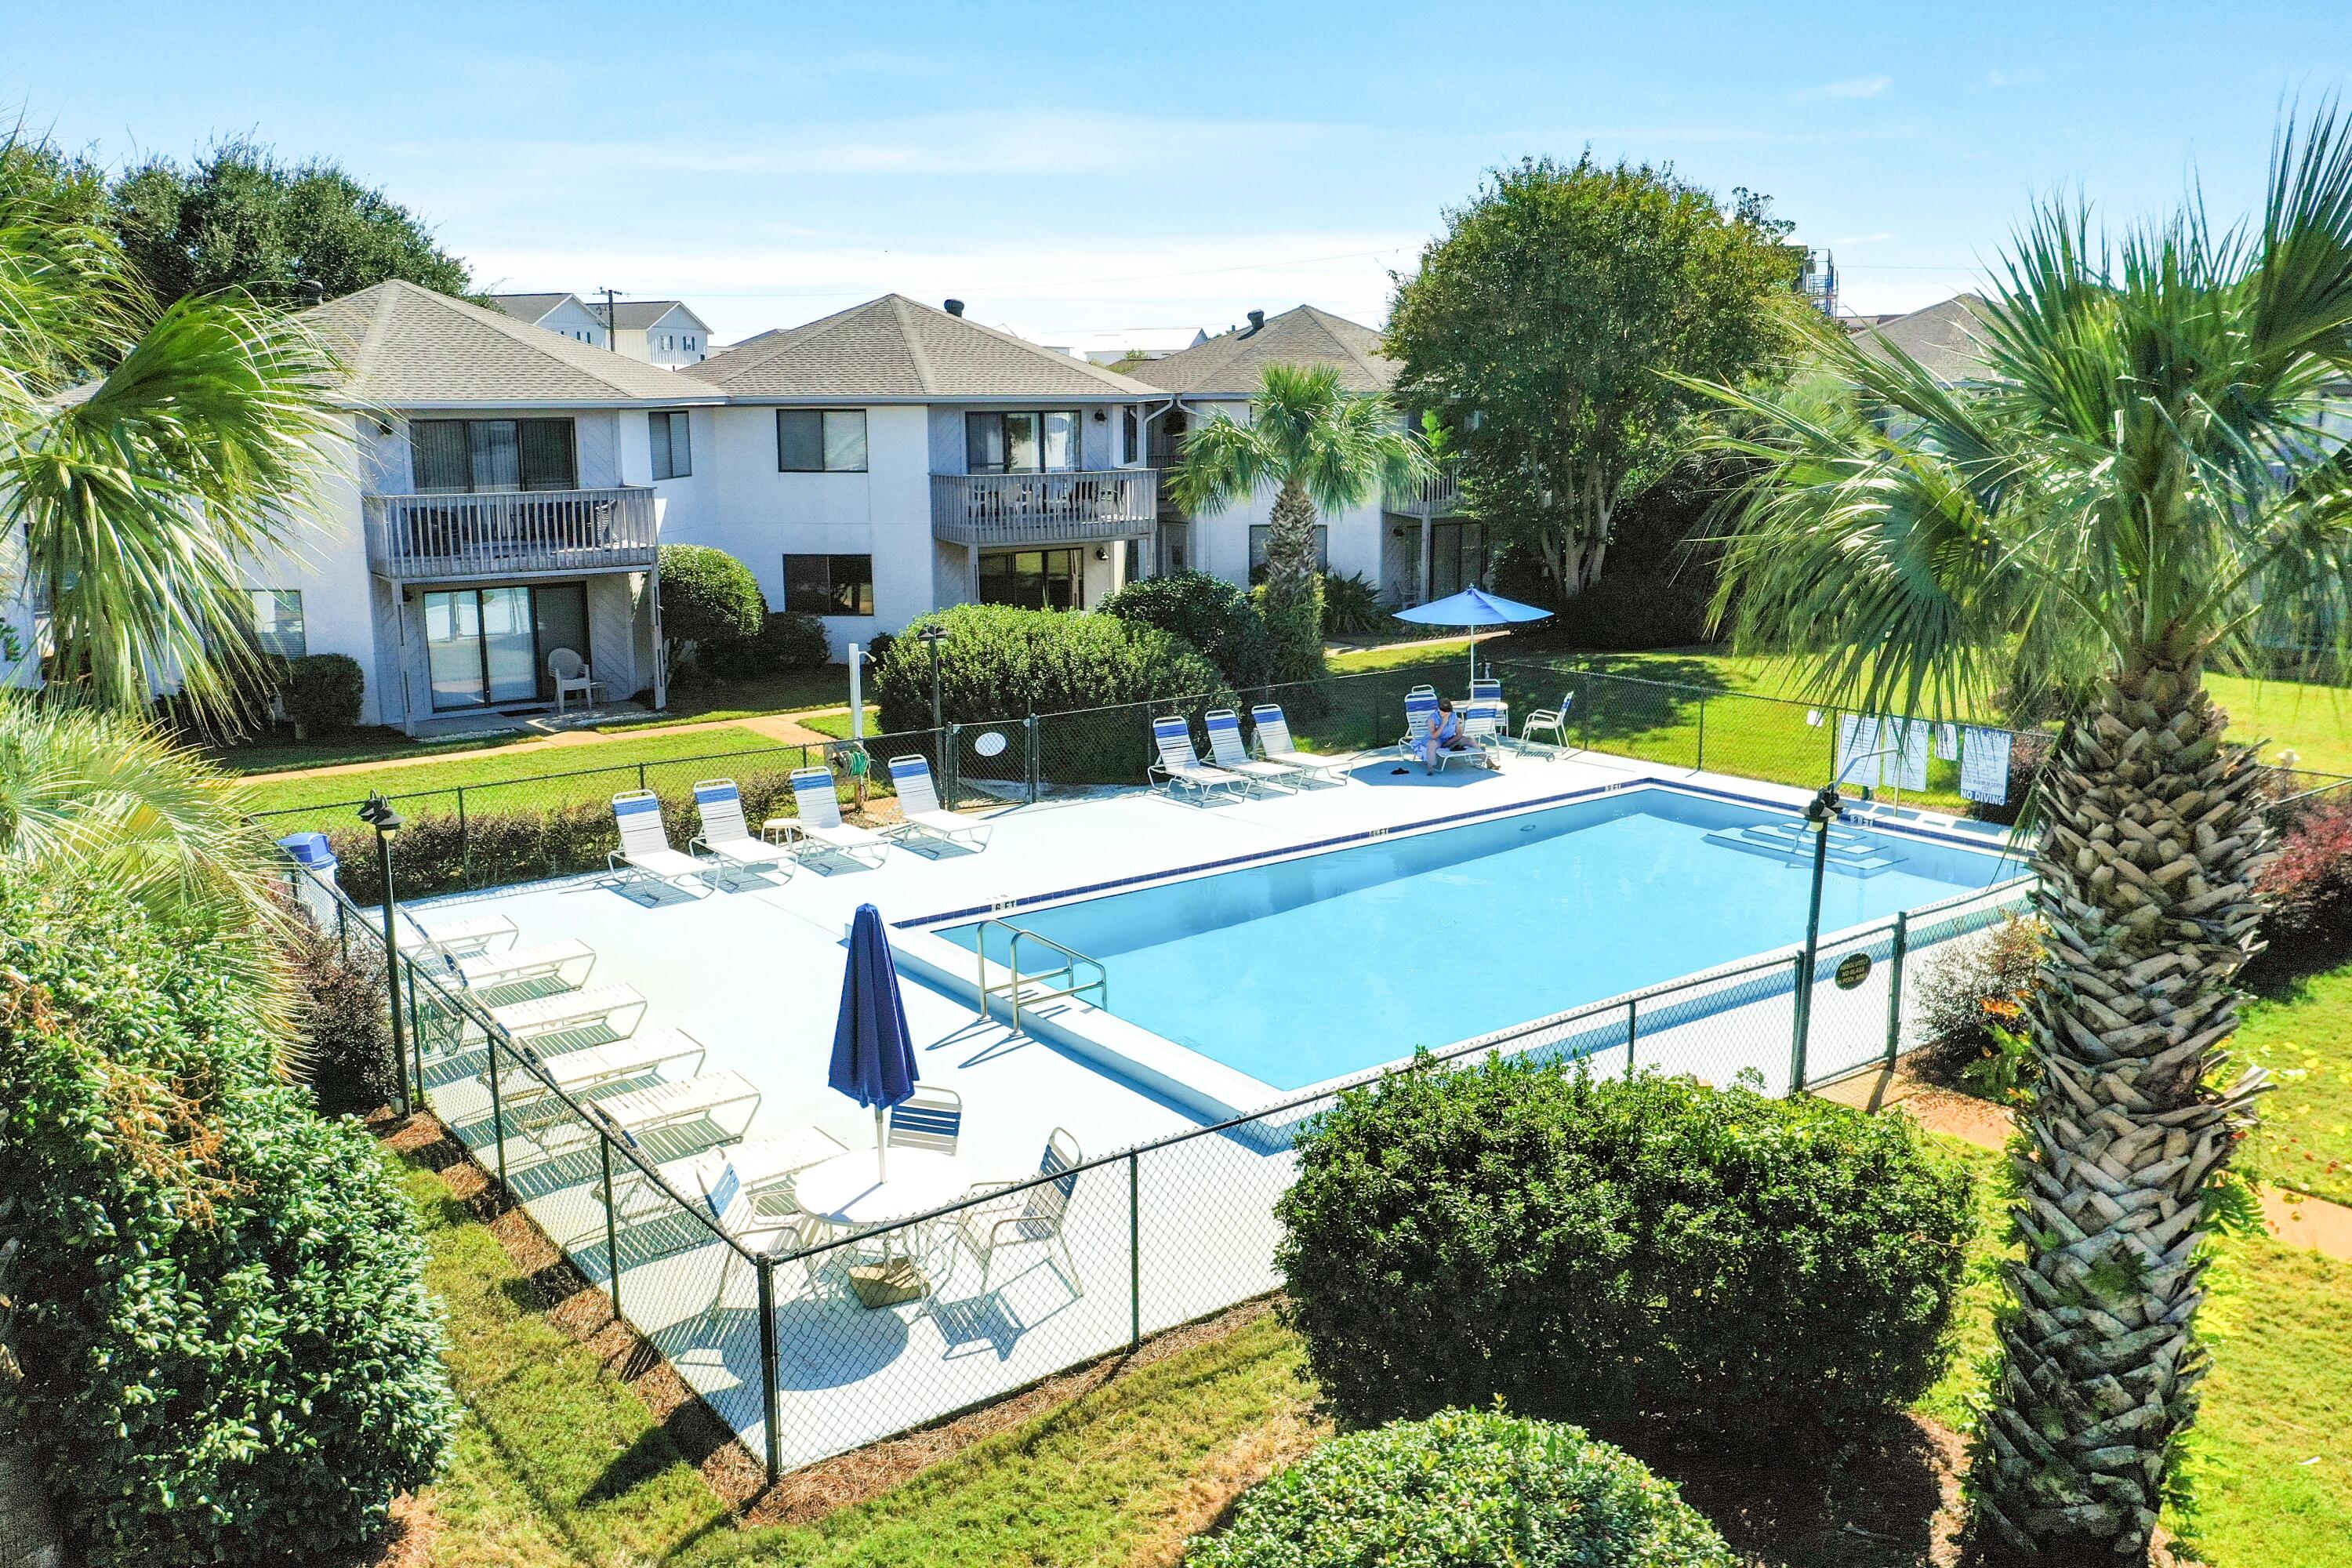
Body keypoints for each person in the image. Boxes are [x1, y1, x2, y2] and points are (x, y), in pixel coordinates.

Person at [1422, 697, 1479, 771]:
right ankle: (1430, 767)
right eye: (1444, 712)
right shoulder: (1432, 719)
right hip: (1437, 740)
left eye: (1448, 712)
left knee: (1470, 740)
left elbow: (1459, 734)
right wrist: (1443, 723)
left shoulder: (1453, 716)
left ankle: (1488, 761)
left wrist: (1448, 743)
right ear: (1439, 709)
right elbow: (1434, 736)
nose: (1446, 714)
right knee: (1431, 744)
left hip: (1450, 740)